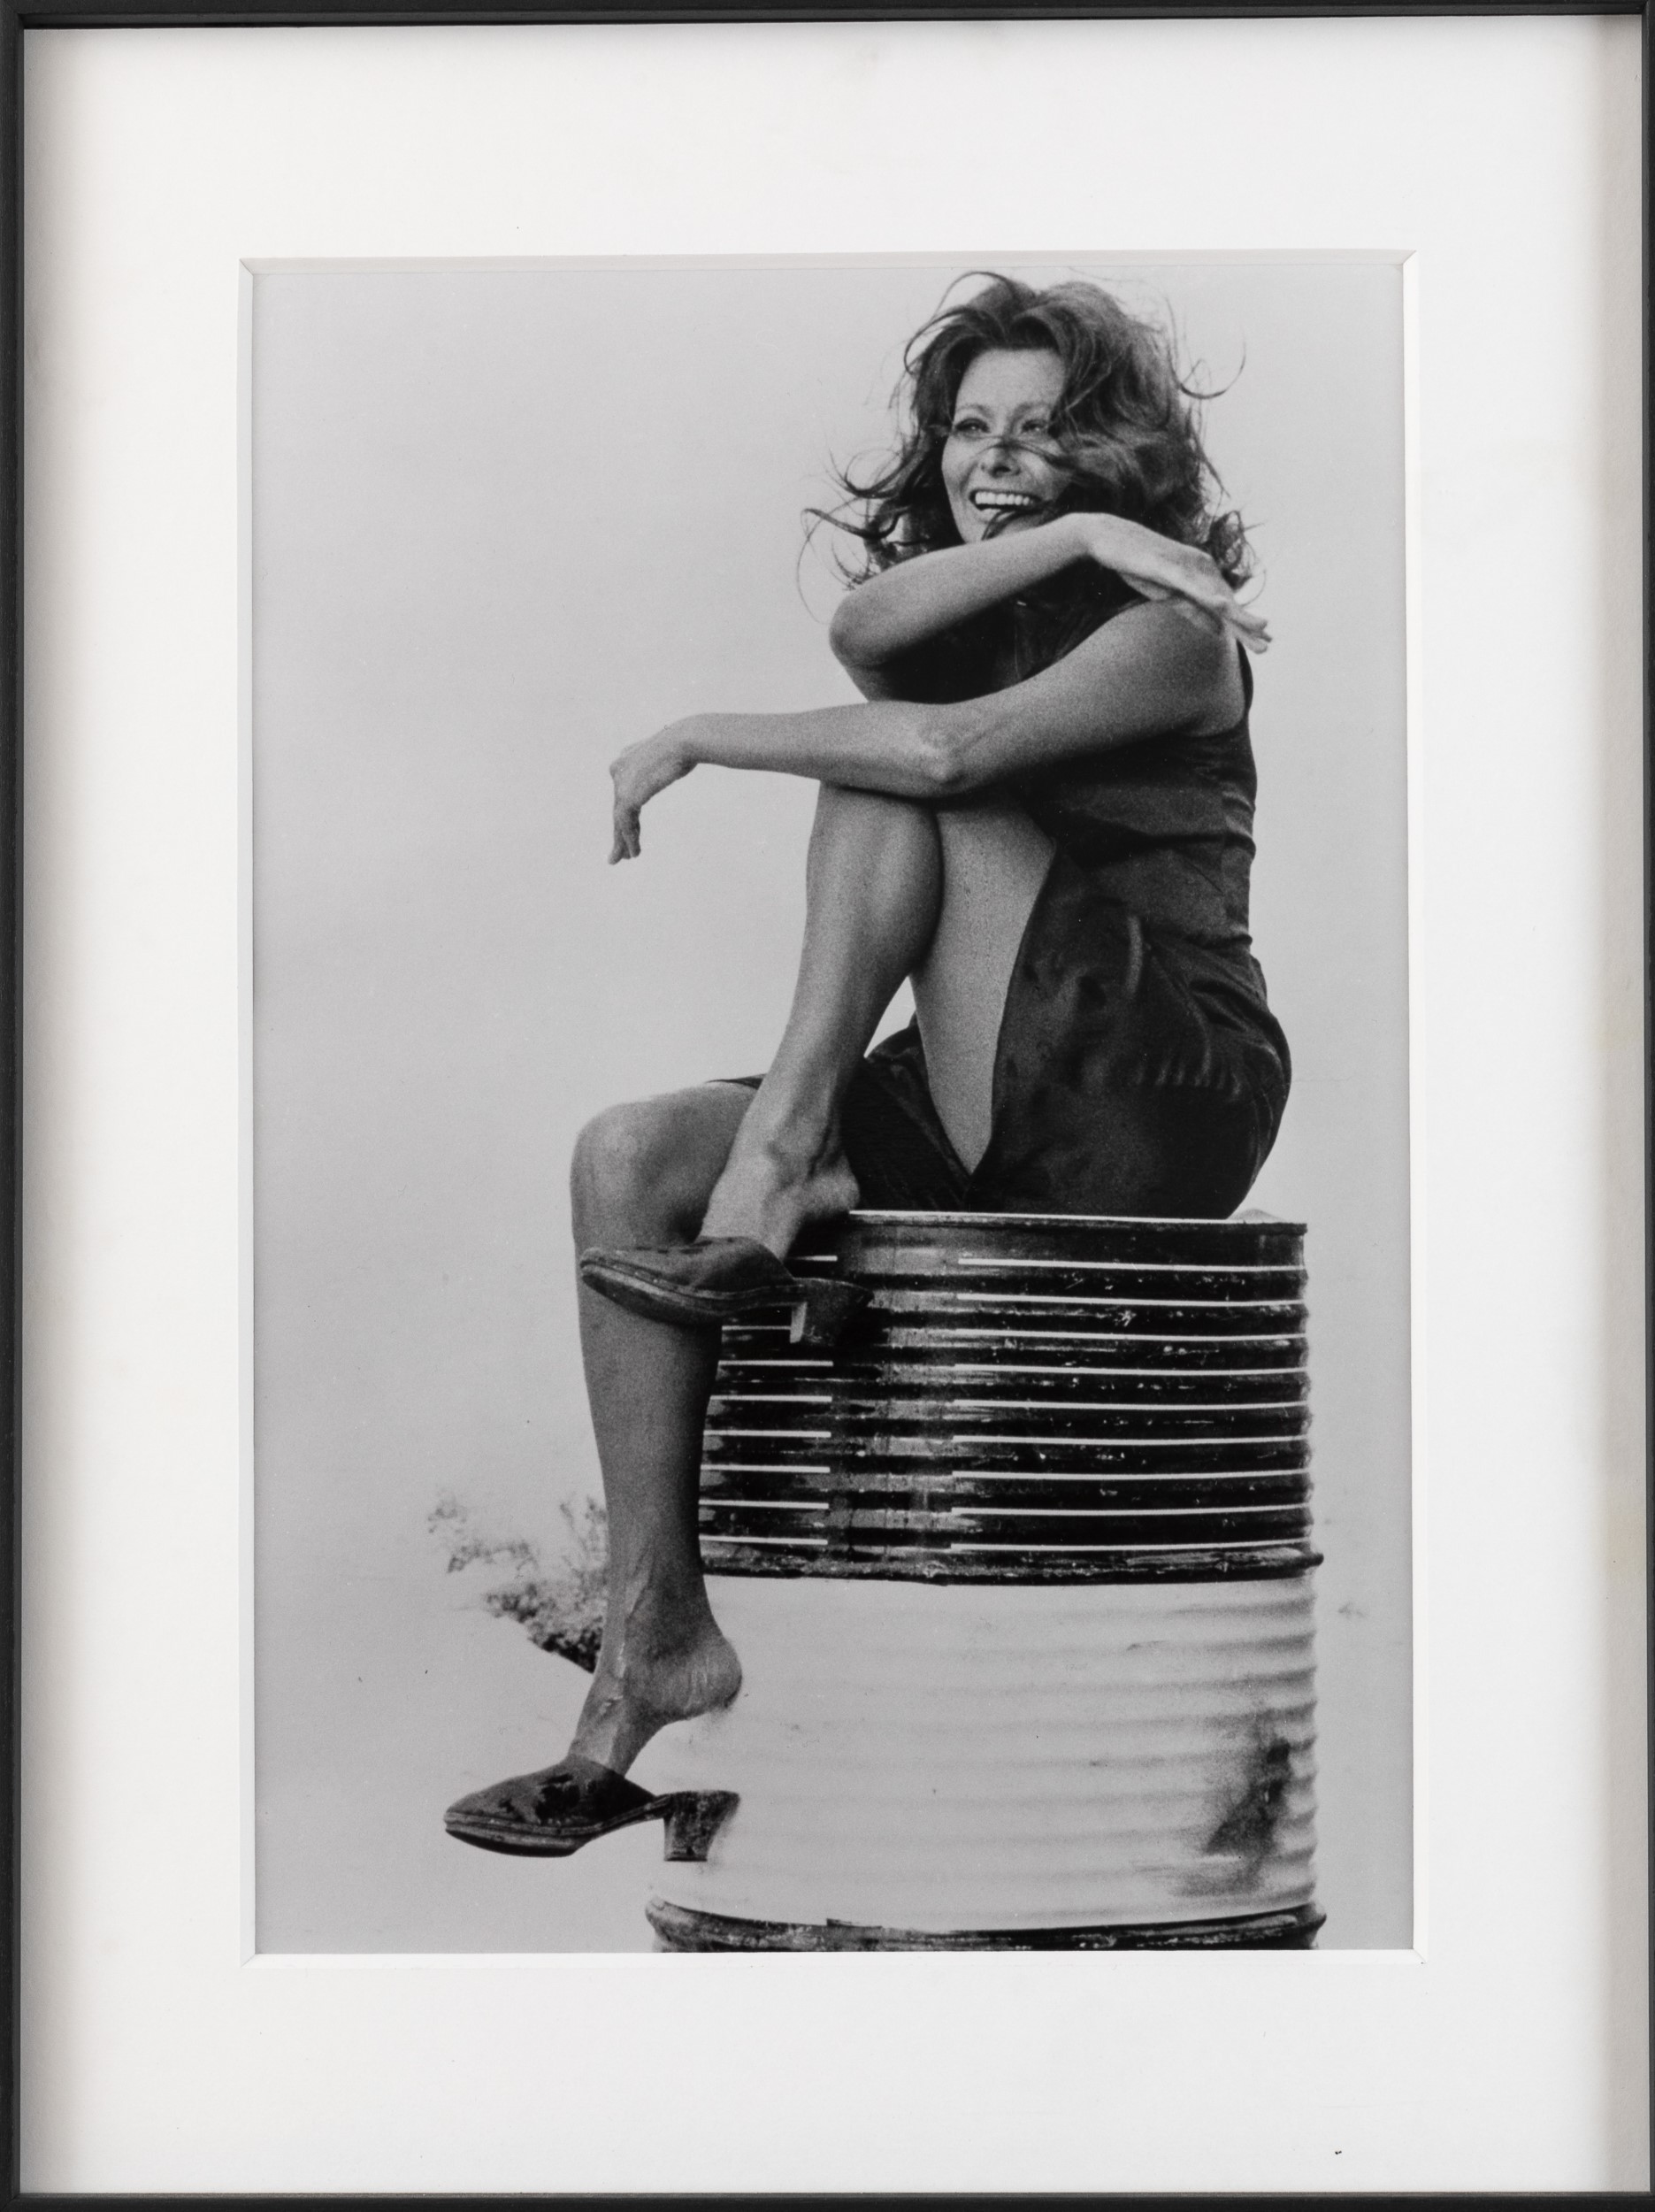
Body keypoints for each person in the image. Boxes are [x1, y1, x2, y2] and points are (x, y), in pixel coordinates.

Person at [444, 273, 1290, 1857]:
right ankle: (652, 1642)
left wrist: (701, 731)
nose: (995, 457)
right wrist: (1064, 531)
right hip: (983, 1070)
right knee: (627, 1156)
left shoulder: (1176, 637)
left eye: (1044, 431)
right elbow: (863, 631)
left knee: (899, 767)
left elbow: (944, 755)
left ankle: (786, 1156)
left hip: (1157, 1079)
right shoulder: (984, 609)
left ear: (1120, 452)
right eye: (971, 429)